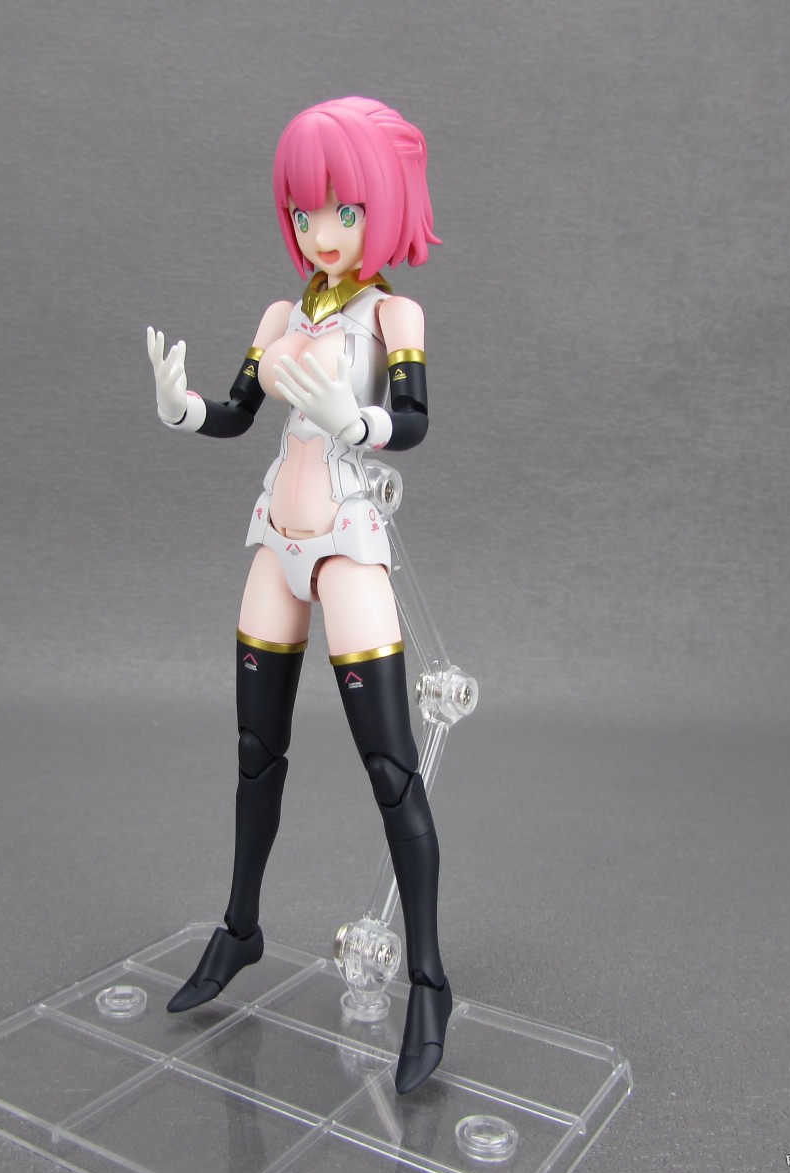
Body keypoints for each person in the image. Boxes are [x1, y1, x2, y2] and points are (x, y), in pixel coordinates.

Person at [144, 96, 449, 1094]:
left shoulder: (393, 316)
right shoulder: (282, 316)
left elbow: (414, 421)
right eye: (305, 212)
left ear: (382, 207)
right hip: (276, 537)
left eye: (344, 211)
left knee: (391, 770)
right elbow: (238, 412)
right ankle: (240, 928)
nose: (322, 232)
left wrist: (354, 422)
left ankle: (430, 983)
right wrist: (183, 410)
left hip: (349, 540)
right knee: (254, 753)